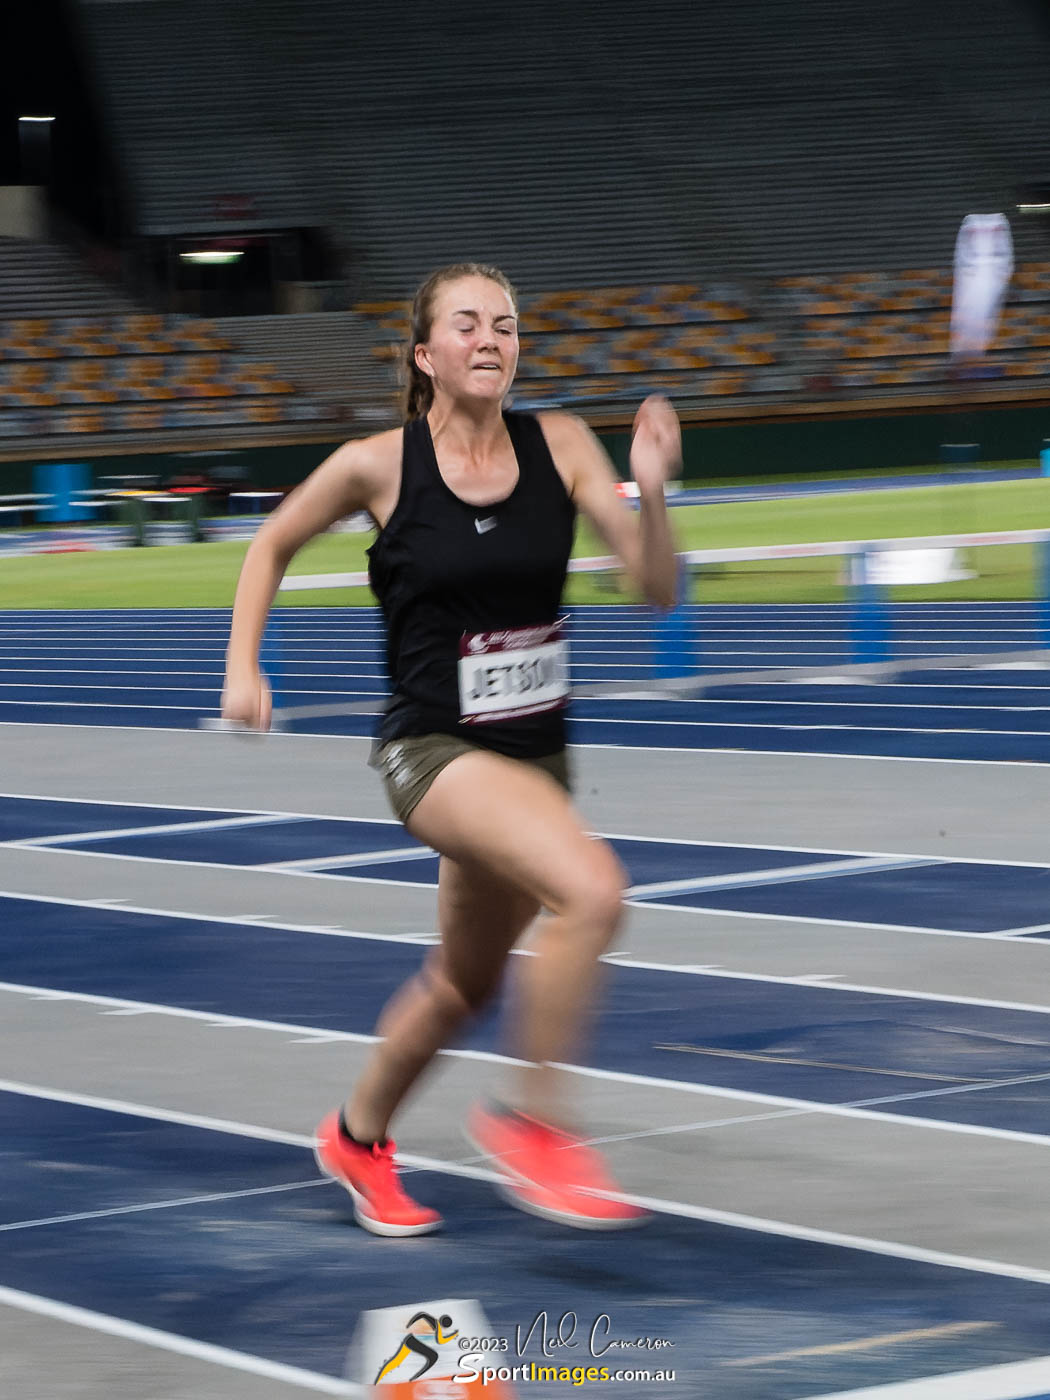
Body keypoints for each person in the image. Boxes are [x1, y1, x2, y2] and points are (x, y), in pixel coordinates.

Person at [221, 261, 680, 1235]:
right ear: (426, 354)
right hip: (431, 750)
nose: (490, 340)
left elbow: (658, 589)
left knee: (465, 982)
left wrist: (651, 488)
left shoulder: (561, 443)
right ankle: (533, 1123)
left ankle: (356, 1136)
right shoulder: (377, 464)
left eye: (505, 325)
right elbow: (270, 543)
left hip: (535, 758)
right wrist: (243, 664)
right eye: (467, 324)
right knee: (592, 891)